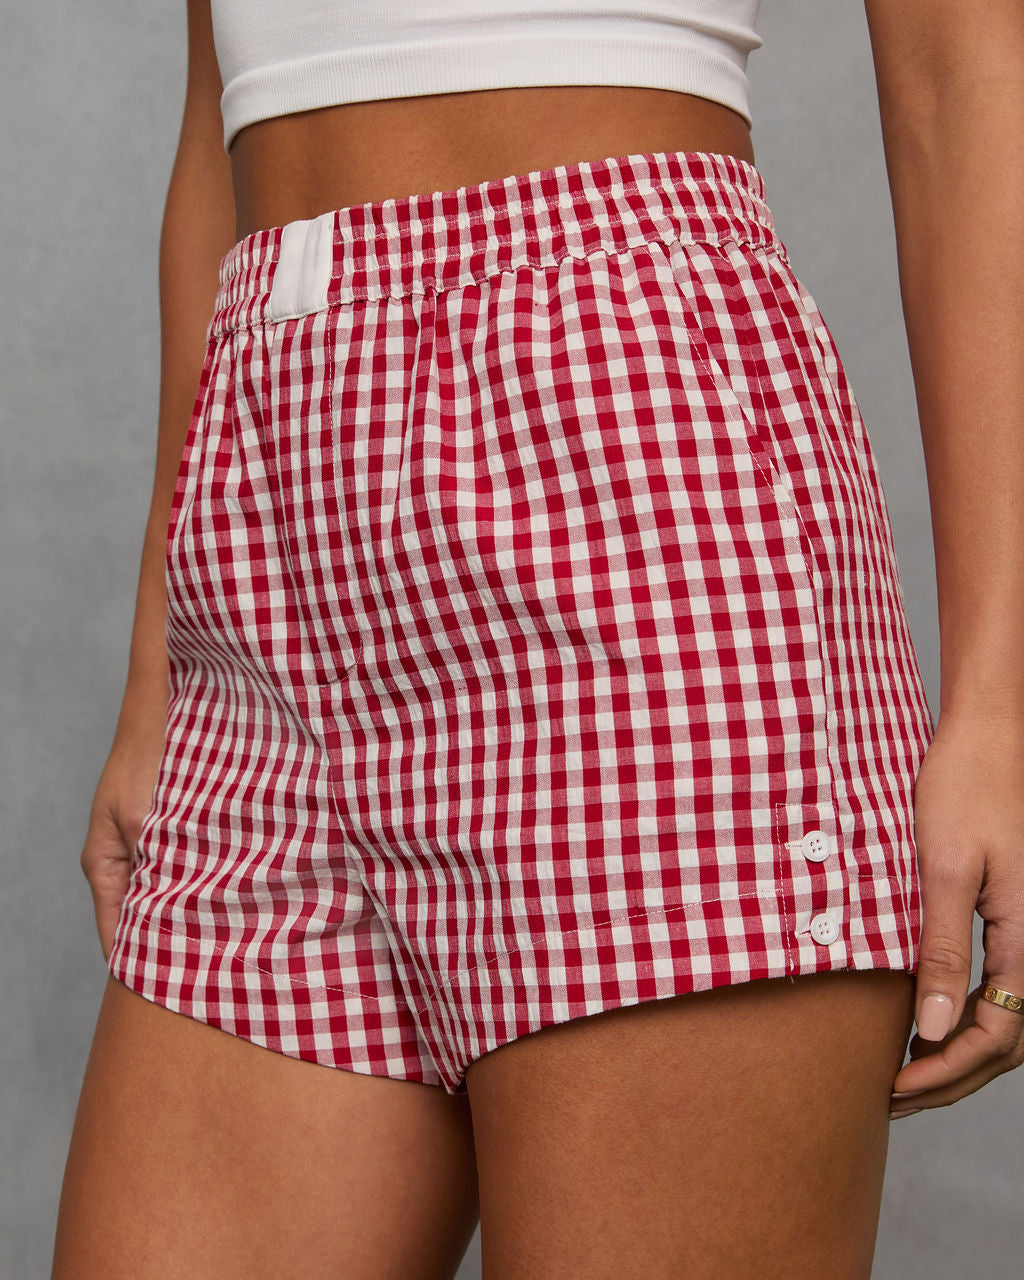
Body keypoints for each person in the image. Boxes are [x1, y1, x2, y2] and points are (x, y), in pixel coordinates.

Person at [52, 2, 1024, 1276]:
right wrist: (158, 673)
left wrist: (999, 703)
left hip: (622, 479)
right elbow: (217, 114)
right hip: (269, 543)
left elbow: (961, 72)